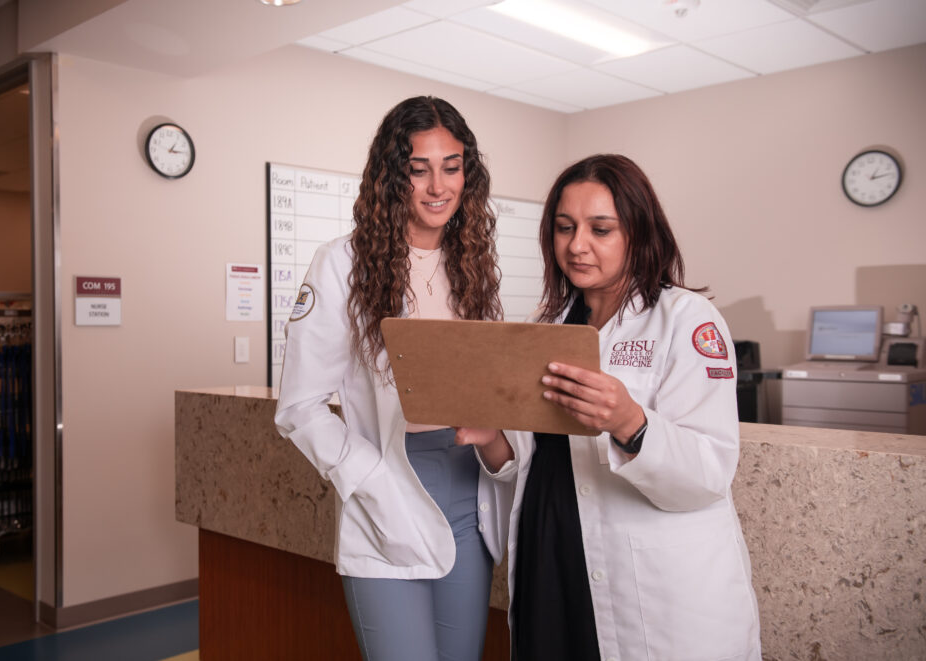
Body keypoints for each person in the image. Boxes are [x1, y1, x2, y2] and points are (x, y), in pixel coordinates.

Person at [458, 154, 761, 660]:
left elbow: (709, 472)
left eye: (600, 229)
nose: (577, 246)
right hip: (549, 561)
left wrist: (628, 422)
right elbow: (532, 462)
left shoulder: (686, 321)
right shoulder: (548, 327)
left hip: (644, 581)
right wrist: (491, 439)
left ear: (639, 234)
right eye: (564, 227)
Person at [274, 96, 511, 661]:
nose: (437, 185)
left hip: (465, 494)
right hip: (388, 489)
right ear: (391, 175)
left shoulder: (473, 264)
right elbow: (300, 407)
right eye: (418, 168)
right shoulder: (342, 264)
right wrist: (372, 482)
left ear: (467, 173)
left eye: (451, 167)